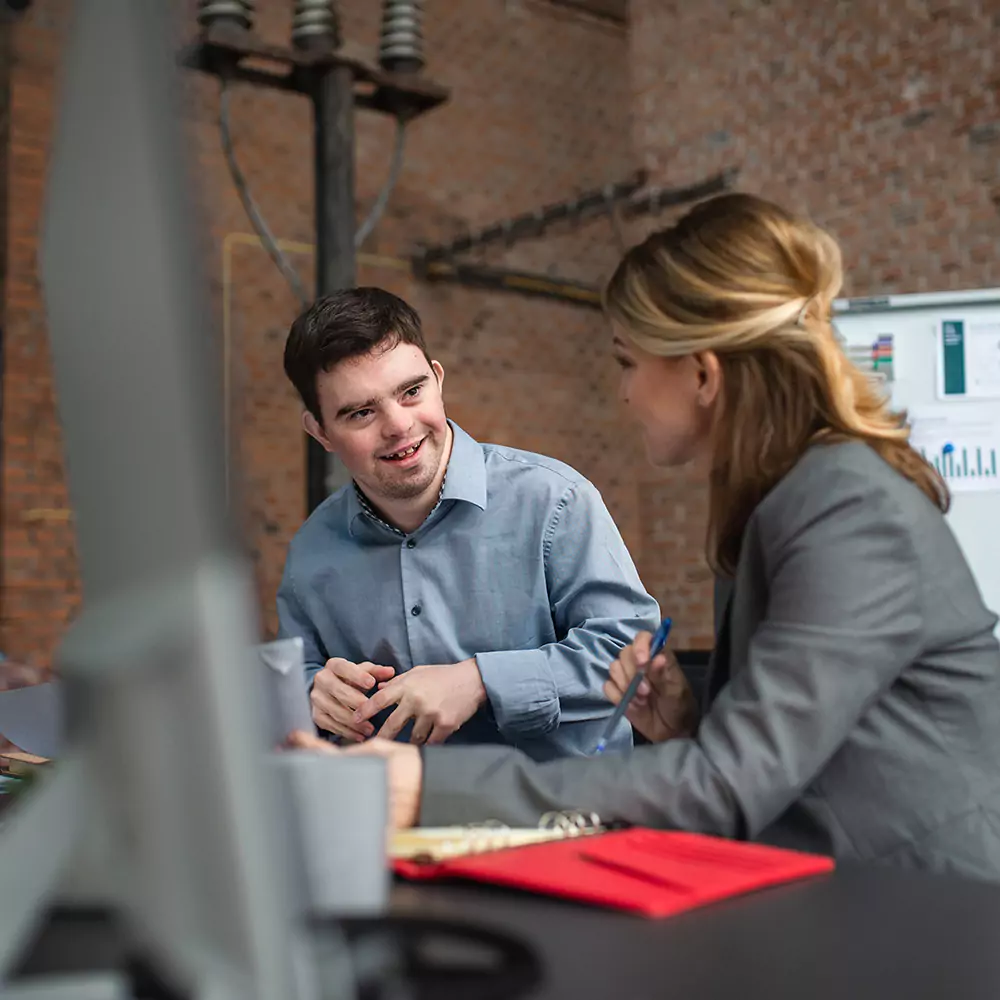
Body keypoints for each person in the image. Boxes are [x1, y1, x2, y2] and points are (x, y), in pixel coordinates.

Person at [289, 194, 1000, 881]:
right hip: (852, 893)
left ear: (702, 374)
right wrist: (691, 724)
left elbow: (729, 782)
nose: (624, 392)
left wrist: (431, 787)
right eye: (359, 412)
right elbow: (788, 754)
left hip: (931, 906)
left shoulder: (846, 508)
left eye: (627, 361)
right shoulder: (787, 499)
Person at [277, 287, 660, 761]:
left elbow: (632, 655)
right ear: (320, 431)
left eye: (411, 391)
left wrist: (480, 681)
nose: (398, 425)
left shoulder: (554, 501)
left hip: (562, 801)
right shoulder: (311, 552)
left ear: (438, 380)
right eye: (361, 412)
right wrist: (311, 691)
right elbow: (292, 682)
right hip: (396, 808)